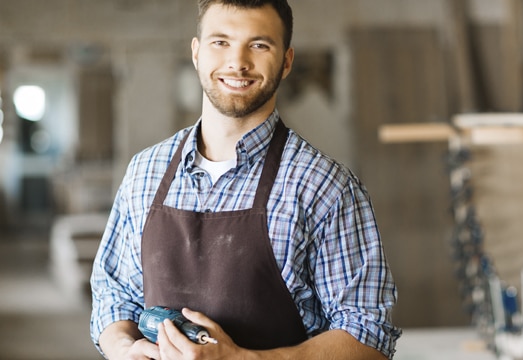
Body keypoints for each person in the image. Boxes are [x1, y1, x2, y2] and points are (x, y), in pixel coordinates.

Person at [89, 0, 401, 358]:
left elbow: (367, 334)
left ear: (286, 61)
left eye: (259, 45)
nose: (238, 62)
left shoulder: (325, 186)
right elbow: (114, 293)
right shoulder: (145, 171)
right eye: (220, 42)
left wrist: (243, 359)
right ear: (196, 52)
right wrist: (123, 347)